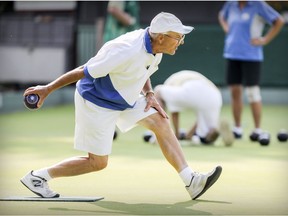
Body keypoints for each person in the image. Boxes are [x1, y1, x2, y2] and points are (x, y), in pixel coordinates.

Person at [20, 12, 222, 200]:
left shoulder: (156, 48)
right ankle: (38, 177)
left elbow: (144, 71)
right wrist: (47, 89)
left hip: (126, 96)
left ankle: (191, 181)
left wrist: (150, 94)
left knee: (160, 121)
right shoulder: (124, 50)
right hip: (95, 101)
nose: (181, 42)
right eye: (178, 37)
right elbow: (84, 70)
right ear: (161, 37)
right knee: (97, 163)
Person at [218, 1, 284, 140]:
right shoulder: (231, 4)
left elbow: (279, 20)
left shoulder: (258, 4)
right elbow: (221, 15)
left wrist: (265, 39)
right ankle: (237, 128)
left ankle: (257, 130)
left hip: (252, 55)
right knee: (235, 91)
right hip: (232, 53)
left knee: (252, 92)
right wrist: (225, 27)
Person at [154, 70, 234, 146]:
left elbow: (175, 113)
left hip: (191, 88)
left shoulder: (169, 84)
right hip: (214, 94)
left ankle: (159, 133)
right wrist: (189, 135)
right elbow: (199, 116)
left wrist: (177, 136)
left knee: (158, 91)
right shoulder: (182, 78)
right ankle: (216, 129)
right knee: (205, 135)